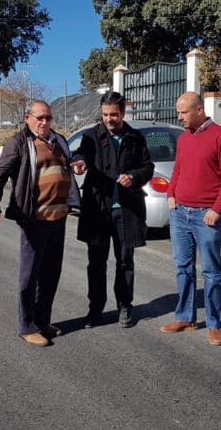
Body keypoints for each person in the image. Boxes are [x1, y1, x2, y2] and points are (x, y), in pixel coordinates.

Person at [0, 100, 81, 347]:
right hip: (34, 219)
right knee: (29, 275)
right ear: (28, 118)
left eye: (48, 118)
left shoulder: (59, 140)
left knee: (51, 274)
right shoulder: (18, 142)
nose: (44, 122)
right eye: (40, 118)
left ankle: (42, 321)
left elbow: (72, 159)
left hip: (58, 218)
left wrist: (77, 162)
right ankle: (26, 326)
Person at [159, 92, 221, 346]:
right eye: (178, 112)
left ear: (199, 110)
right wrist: (171, 194)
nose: (179, 117)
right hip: (180, 213)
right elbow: (178, 168)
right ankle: (185, 317)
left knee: (211, 272)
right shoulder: (184, 138)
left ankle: (214, 325)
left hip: (206, 215)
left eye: (183, 112)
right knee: (183, 267)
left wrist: (216, 209)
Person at [70, 91, 154, 328]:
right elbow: (81, 152)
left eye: (114, 115)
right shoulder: (91, 135)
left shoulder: (135, 137)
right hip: (98, 210)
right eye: (105, 114)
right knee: (96, 263)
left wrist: (133, 177)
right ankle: (95, 309)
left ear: (123, 113)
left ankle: (125, 306)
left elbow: (148, 167)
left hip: (126, 210)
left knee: (125, 261)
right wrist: (79, 162)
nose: (109, 119)